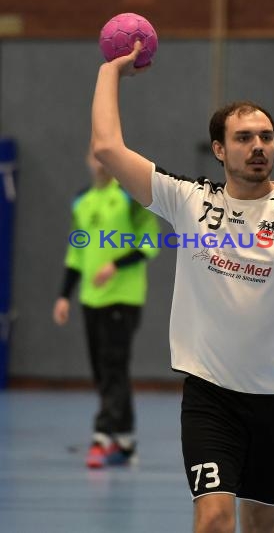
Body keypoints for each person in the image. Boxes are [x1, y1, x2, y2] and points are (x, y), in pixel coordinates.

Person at [89, 42, 274, 532]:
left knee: (261, 526)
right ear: (221, 149)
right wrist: (110, 72)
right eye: (245, 138)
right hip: (212, 396)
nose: (258, 147)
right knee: (213, 520)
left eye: (266, 137)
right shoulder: (188, 200)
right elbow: (106, 148)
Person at [53, 149, 160, 469]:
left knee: (113, 365)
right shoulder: (81, 201)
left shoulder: (129, 198)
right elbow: (76, 253)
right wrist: (63, 296)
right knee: (103, 370)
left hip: (123, 298)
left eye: (104, 158)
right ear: (88, 160)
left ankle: (103, 436)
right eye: (94, 157)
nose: (99, 163)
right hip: (90, 299)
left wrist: (115, 264)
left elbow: (149, 244)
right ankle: (124, 440)